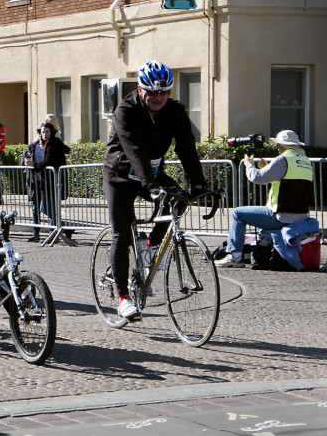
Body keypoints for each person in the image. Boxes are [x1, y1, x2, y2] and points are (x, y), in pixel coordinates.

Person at [103, 60, 207, 319]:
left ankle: (150, 244)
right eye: (152, 92)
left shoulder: (174, 110)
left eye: (164, 92)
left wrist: (199, 183)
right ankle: (123, 297)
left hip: (153, 174)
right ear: (140, 89)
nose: (159, 97)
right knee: (121, 234)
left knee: (179, 198)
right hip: (121, 176)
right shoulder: (125, 110)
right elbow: (134, 150)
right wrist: (149, 184)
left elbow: (186, 146)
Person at [215, 130, 315, 269]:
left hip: (281, 216)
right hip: (300, 218)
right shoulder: (305, 161)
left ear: (282, 145)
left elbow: (257, 177)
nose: (277, 147)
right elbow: (288, 183)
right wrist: (267, 167)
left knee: (238, 213)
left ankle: (235, 256)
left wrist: (248, 165)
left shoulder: (284, 158)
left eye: (278, 145)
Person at [22, 122, 70, 242]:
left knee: (45, 207)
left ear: (52, 132)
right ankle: (59, 228)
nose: (44, 134)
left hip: (50, 180)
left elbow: (48, 161)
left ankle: (61, 228)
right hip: (41, 180)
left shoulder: (52, 143)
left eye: (46, 131)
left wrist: (35, 165)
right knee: (42, 207)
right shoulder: (39, 145)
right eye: (42, 132)